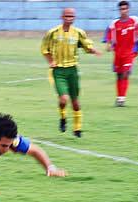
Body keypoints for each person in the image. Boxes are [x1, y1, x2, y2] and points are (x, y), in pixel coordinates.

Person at [41, 8, 101, 138]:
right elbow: (45, 49)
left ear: (74, 18)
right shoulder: (53, 33)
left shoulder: (78, 33)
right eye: (67, 16)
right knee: (63, 99)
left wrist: (93, 51)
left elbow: (86, 47)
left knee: (75, 102)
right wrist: (51, 61)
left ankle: (77, 128)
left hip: (72, 70)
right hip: (59, 71)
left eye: (71, 16)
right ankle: (63, 117)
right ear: (62, 17)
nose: (69, 18)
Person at [104, 1, 138, 107]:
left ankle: (122, 99)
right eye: (122, 9)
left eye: (125, 8)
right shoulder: (114, 23)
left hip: (130, 52)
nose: (124, 11)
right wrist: (108, 44)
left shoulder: (135, 21)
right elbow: (108, 34)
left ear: (128, 9)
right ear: (119, 10)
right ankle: (119, 97)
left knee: (126, 73)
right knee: (119, 75)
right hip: (118, 53)